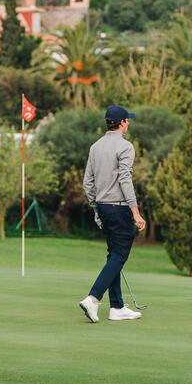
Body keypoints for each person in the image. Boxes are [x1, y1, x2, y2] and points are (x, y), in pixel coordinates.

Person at [79, 105, 146, 323]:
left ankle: (116, 306)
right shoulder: (126, 147)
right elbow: (125, 179)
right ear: (123, 122)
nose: (129, 123)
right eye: (128, 120)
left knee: (113, 255)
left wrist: (97, 208)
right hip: (119, 208)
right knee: (119, 256)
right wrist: (136, 213)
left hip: (104, 207)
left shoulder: (95, 146)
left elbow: (87, 183)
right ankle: (93, 298)